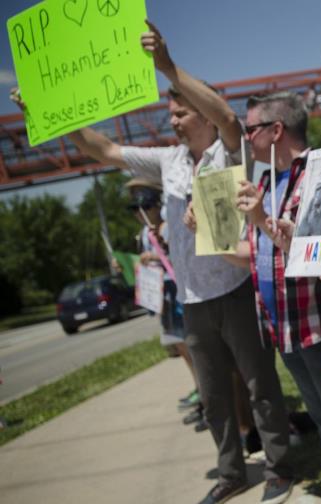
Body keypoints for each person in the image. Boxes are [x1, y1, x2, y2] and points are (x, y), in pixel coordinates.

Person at [48, 22, 296, 504]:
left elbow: (227, 115)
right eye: (172, 114)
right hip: (193, 299)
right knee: (213, 396)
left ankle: (279, 468)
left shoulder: (230, 151)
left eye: (181, 112)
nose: (175, 121)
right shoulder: (168, 161)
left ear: (201, 114)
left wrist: (166, 65)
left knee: (259, 385)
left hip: (235, 288)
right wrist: (56, 120)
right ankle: (231, 472)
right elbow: (106, 150)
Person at [227, 90, 321, 504]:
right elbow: (256, 249)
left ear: (276, 130)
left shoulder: (319, 173)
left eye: (250, 129)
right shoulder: (264, 182)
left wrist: (261, 218)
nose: (245, 138)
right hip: (285, 326)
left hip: (319, 321)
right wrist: (208, 235)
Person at [126, 177, 206, 427]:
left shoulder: (167, 227)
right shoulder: (144, 233)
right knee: (181, 348)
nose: (139, 213)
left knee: (192, 347)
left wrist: (157, 255)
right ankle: (201, 392)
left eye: (144, 206)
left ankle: (207, 399)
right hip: (162, 295)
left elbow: (182, 257)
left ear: (155, 206)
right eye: (135, 208)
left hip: (177, 291)